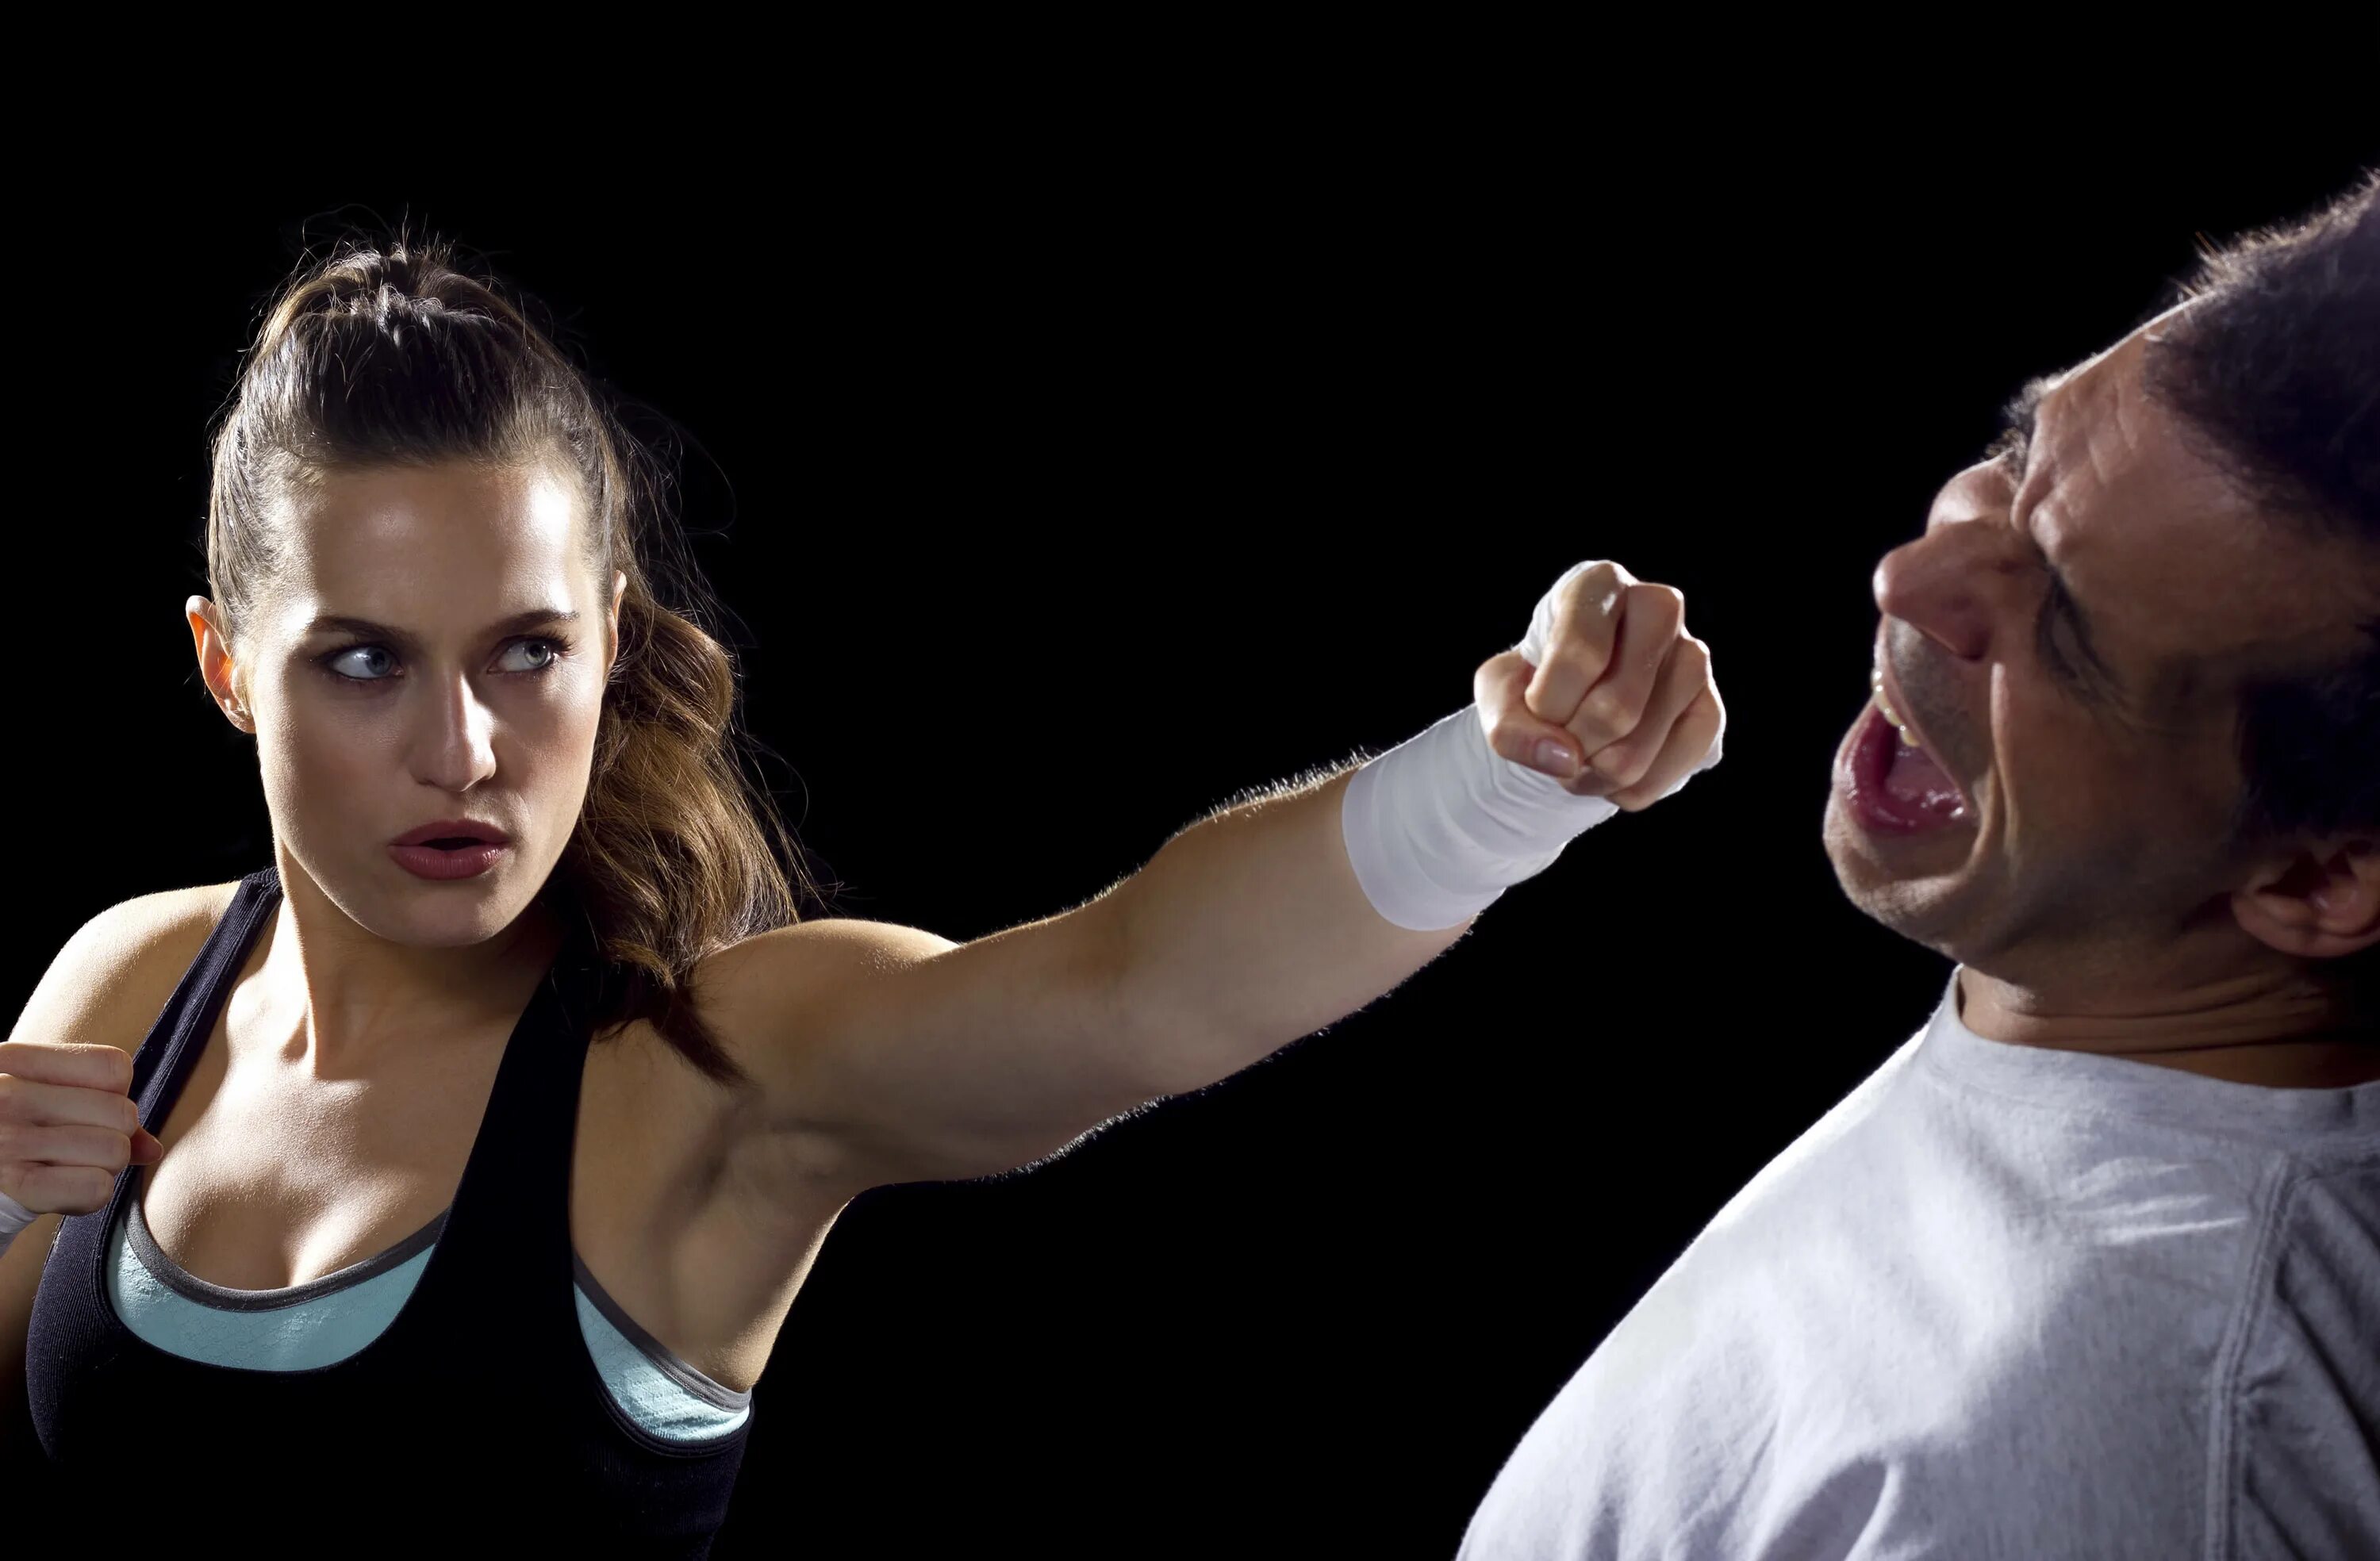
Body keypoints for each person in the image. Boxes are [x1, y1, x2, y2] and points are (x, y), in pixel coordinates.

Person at [0, 226, 1722, 1553]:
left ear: (611, 638)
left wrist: (1504, 783)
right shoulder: (133, 992)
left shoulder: (698, 1076)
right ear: (228, 667)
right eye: (366, 661)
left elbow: (1134, 986)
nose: (463, 749)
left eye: (527, 651)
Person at [1457, 174, 2380, 1559]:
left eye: (2066, 628)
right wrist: (1484, 795)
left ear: (2318, 883)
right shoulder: (2074, 1028)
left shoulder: (2095, 1471)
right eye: (2014, 456)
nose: (1905, 576)